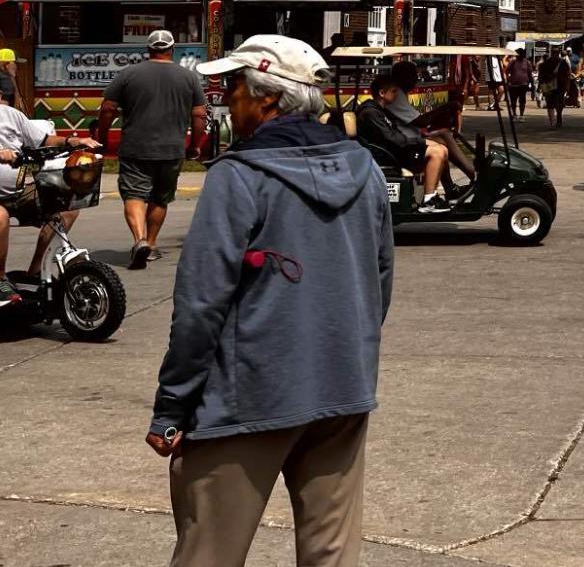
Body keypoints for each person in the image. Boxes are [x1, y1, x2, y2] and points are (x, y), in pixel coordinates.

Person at [148, 35, 392, 567]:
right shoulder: (365, 169)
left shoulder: (239, 176)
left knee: (208, 551)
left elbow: (200, 303)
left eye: (232, 86)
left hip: (250, 396)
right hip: (342, 388)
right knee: (332, 555)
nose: (224, 99)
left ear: (265, 98)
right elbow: (379, 282)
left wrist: (172, 404)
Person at [99, 30, 208, 271]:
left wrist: (103, 139)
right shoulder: (189, 78)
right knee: (160, 198)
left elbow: (107, 108)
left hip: (135, 148)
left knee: (135, 195)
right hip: (172, 150)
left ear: (148, 50)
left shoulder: (128, 74)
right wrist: (195, 146)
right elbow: (200, 114)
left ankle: (139, 240)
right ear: (172, 49)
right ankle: (151, 243)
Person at [0, 113, 101, 306]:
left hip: (18, 192)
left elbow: (44, 139)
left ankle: (35, 272)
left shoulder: (11, 115)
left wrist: (73, 141)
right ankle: (0, 280)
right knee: (0, 216)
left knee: (67, 206)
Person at [357, 74, 453, 213]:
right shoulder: (371, 112)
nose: (396, 95)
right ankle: (429, 201)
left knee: (442, 148)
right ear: (382, 93)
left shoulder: (381, 111)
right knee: (436, 152)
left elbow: (395, 135)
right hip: (387, 155)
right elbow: (391, 138)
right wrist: (418, 142)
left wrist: (421, 141)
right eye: (394, 91)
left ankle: (436, 195)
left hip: (392, 150)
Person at [538, 48, 571, 128]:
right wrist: (567, 85)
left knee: (550, 103)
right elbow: (568, 75)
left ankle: (552, 121)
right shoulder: (563, 63)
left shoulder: (546, 63)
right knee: (559, 102)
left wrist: (542, 84)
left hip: (550, 85)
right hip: (560, 85)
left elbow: (541, 75)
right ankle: (558, 118)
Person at [505, 47, 533, 119]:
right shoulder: (512, 62)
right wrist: (508, 80)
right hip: (513, 85)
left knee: (522, 100)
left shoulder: (527, 62)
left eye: (518, 53)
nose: (517, 55)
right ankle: (514, 114)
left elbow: (530, 73)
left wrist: (532, 84)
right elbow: (507, 71)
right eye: (516, 53)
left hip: (523, 84)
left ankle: (521, 115)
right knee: (513, 101)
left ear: (522, 54)